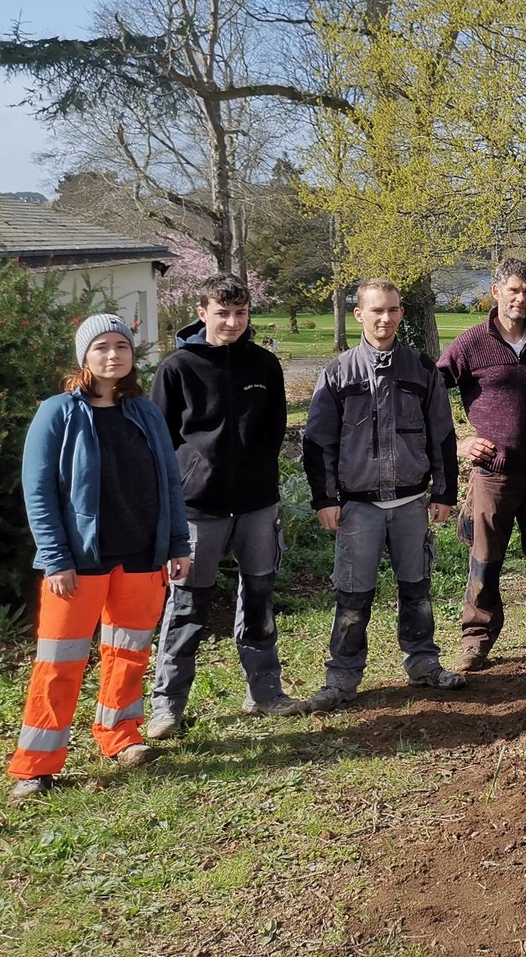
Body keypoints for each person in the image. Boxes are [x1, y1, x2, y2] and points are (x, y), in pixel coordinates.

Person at [8, 315, 192, 802]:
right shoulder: (58, 412)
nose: (113, 355)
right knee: (59, 661)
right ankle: (36, 766)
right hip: (78, 563)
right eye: (102, 347)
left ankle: (120, 735)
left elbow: (169, 484)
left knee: (129, 653)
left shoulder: (145, 412)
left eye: (121, 347)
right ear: (83, 357)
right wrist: (55, 557)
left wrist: (177, 544)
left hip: (140, 556)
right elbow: (39, 491)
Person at [146, 274, 302, 738]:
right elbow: (161, 439)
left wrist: (257, 474)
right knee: (187, 606)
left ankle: (265, 692)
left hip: (256, 505)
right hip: (198, 508)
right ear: (202, 313)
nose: (232, 322)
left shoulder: (265, 365)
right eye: (222, 313)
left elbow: (275, 429)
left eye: (240, 314)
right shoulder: (178, 368)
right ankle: (168, 706)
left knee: (258, 598)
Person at [302, 278, 464, 711]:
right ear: (360, 315)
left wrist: (445, 492)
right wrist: (325, 498)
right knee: (353, 597)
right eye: (376, 310)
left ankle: (424, 664)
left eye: (392, 309)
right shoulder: (339, 372)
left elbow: (442, 435)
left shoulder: (422, 369)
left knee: (417, 589)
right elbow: (318, 442)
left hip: (411, 502)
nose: (385, 318)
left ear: (401, 314)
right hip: (358, 507)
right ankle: (342, 678)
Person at [437, 258, 526, 669]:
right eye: (515, 290)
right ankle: (476, 640)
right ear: (496, 291)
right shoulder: (470, 345)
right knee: (485, 558)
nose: (522, 298)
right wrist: (459, 442)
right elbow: (428, 396)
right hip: (492, 476)